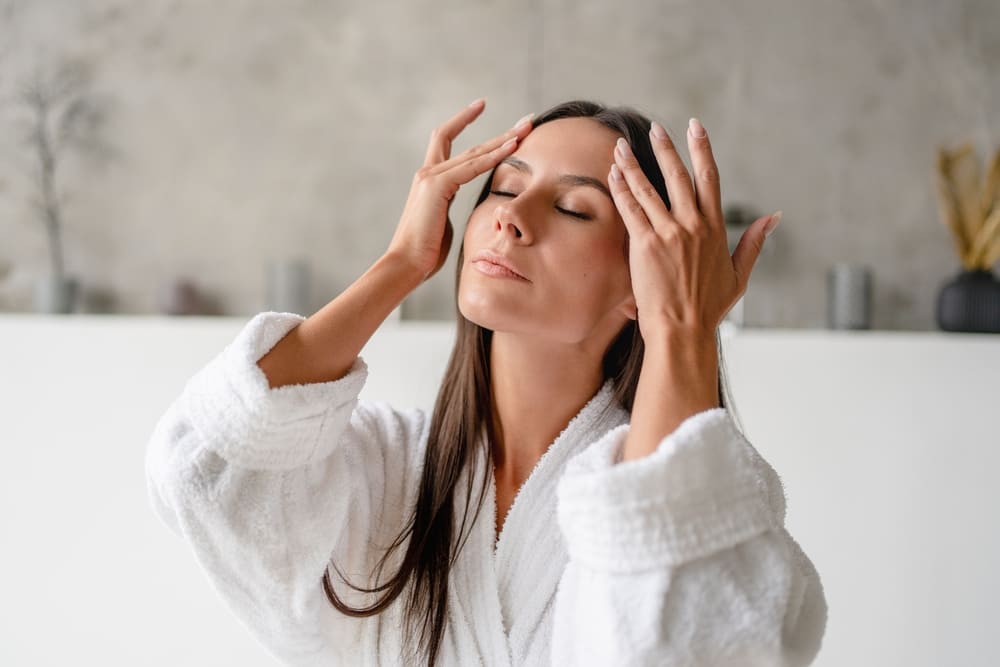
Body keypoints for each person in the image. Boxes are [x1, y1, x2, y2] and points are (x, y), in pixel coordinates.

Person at [145, 98, 827, 666]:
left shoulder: (673, 501)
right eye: (503, 187)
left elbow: (683, 639)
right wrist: (403, 262)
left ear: (638, 285)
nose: (510, 215)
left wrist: (682, 329)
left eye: (574, 209)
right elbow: (201, 465)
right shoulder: (392, 468)